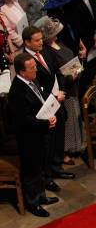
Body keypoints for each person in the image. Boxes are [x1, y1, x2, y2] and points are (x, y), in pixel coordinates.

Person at [7, 53, 58, 217]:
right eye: (32, 68)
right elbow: (23, 120)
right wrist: (46, 123)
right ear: (22, 72)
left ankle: (41, 196)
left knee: (39, 167)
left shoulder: (31, 80)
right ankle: (32, 202)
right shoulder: (16, 91)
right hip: (28, 138)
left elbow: (39, 100)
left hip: (38, 134)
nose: (36, 69)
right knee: (31, 170)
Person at [35, 16, 83, 166]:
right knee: (69, 119)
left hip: (74, 85)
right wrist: (70, 76)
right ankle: (66, 150)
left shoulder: (59, 43)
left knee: (75, 116)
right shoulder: (47, 51)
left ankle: (74, 146)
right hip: (65, 87)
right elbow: (57, 73)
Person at [63, 0, 96, 100]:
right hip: (82, 44)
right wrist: (81, 45)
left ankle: (91, 101)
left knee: (92, 72)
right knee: (84, 75)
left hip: (93, 39)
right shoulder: (70, 1)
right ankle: (85, 105)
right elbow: (73, 26)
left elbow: (94, 15)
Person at [0, 0, 26, 77]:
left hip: (25, 39)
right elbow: (9, 31)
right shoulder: (2, 9)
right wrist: (23, 40)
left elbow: (23, 17)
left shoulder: (15, 1)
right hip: (17, 47)